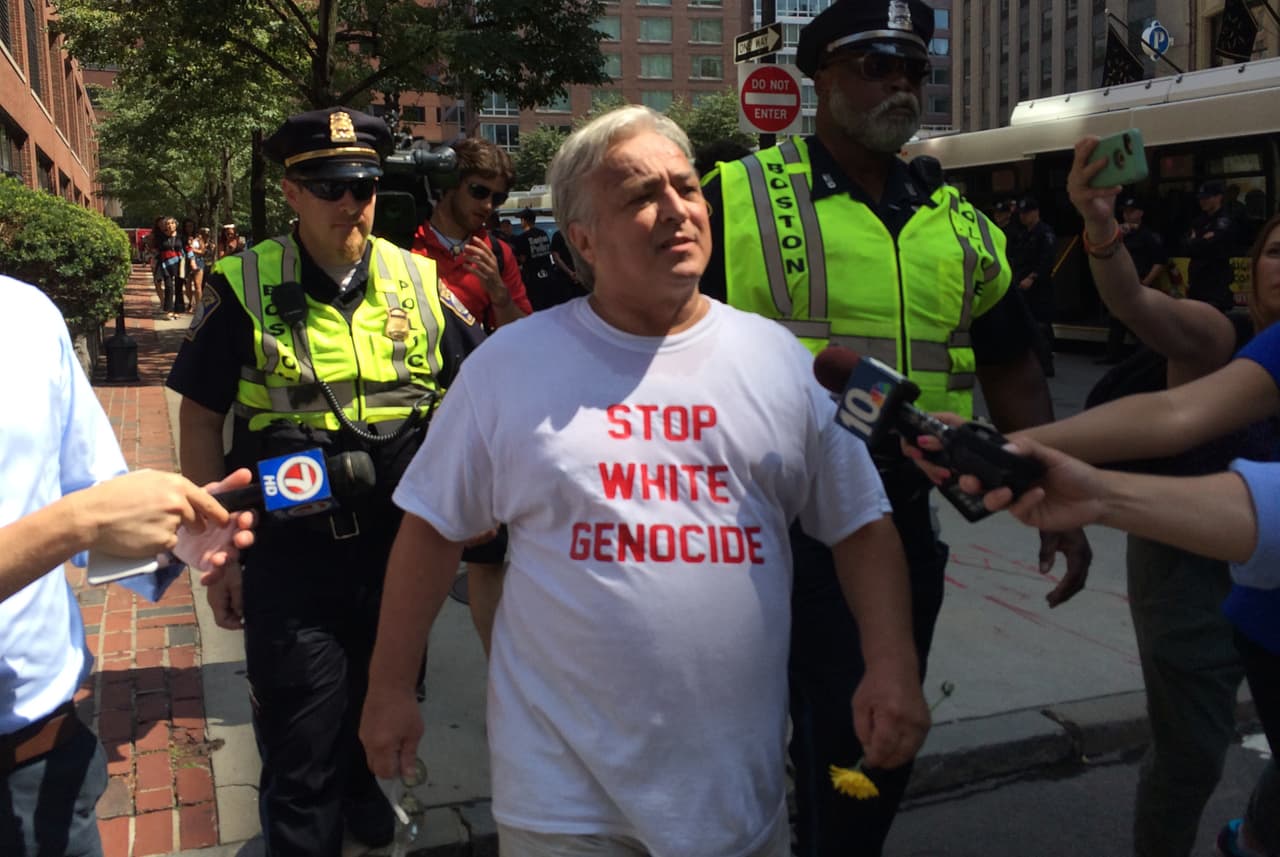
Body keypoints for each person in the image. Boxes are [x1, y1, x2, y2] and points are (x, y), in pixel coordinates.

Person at [359, 105, 930, 857]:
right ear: (583, 237)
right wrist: (391, 686)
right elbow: (432, 529)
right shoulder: (508, 368)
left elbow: (860, 524)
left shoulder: (781, 362)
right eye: (641, 195)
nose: (677, 210)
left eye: (686, 188)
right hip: (561, 800)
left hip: (731, 797)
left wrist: (891, 664)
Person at [698, 1, 1092, 853]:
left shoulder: (959, 221)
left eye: (914, 68)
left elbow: (1012, 368)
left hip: (899, 522)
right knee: (732, 740)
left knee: (872, 741)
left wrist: (1054, 493)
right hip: (754, 521)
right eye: (877, 64)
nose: (901, 84)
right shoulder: (735, 197)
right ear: (821, 76)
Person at [166, 106, 487, 857]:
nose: (351, 201)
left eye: (364, 184)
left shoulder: (418, 280)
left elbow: (483, 390)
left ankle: (364, 795)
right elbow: (200, 419)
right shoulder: (242, 285)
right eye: (329, 184)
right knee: (301, 739)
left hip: (401, 557)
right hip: (291, 554)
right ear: (292, 191)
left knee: (383, 706)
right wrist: (219, 552)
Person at [934, 208, 1280, 857]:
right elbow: (1151, 353)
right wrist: (1003, 447)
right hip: (1190, 561)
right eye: (1277, 251)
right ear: (1248, 271)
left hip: (1264, 570)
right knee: (1192, 753)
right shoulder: (1219, 336)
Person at [0, 273, 253, 857]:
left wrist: (174, 535)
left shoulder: (27, 314)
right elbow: (83, 515)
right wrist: (77, 522)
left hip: (45, 760)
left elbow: (92, 489)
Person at [964, 438, 1280, 857]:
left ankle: (1257, 837)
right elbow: (1182, 412)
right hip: (1194, 530)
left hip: (1245, 514)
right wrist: (1047, 468)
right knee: (1192, 750)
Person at [411, 137, 531, 332]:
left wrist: (501, 297)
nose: (488, 206)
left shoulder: (498, 255)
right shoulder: (404, 245)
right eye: (479, 191)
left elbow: (523, 338)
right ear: (451, 183)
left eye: (498, 198)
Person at [1097, 195, 1169, 364]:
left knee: (1139, 322)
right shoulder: (1120, 234)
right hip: (1119, 283)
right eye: (1125, 212)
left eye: (1131, 212)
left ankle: (1144, 357)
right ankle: (1112, 355)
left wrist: (1146, 282)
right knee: (1116, 321)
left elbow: (1159, 261)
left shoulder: (1149, 235)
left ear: (1140, 213)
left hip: (1139, 283)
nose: (1127, 215)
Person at [1011, 194, 1058, 377]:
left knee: (1042, 326)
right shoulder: (1024, 234)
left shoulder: (1045, 233)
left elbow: (1047, 260)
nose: (1023, 217)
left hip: (1040, 288)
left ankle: (1046, 365)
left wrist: (1032, 277)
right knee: (1026, 325)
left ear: (1036, 212)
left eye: (1027, 213)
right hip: (1022, 286)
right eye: (1021, 214)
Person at [1185, 180, 1237, 312]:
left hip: (1215, 284)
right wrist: (1200, 241)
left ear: (1218, 197)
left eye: (1207, 198)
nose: (1203, 201)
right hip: (1197, 282)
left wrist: (1197, 241)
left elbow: (1213, 244)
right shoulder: (1199, 221)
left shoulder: (1224, 219)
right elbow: (1187, 246)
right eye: (1201, 198)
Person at [512, 207, 561, 310]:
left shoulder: (522, 238)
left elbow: (522, 259)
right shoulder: (543, 234)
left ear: (524, 221)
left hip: (532, 280)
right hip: (548, 276)